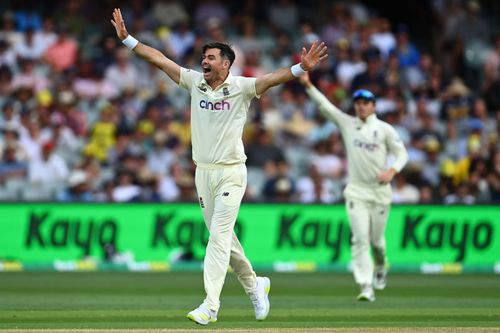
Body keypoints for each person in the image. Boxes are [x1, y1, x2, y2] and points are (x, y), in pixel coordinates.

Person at [111, 8, 327, 325]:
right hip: (203, 173)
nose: (205, 61)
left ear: (226, 63)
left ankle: (210, 306)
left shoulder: (241, 87)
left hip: (231, 172)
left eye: (211, 57)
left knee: (218, 238)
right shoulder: (194, 82)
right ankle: (255, 285)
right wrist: (128, 39)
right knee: (224, 240)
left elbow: (271, 79)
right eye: (204, 57)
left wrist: (299, 68)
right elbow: (158, 59)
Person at [299, 73, 408, 302]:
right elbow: (326, 107)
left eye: (366, 103)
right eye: (358, 103)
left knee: (377, 242)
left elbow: (401, 154)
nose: (361, 106)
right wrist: (309, 86)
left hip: (380, 192)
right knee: (360, 239)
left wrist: (392, 171)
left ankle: (380, 266)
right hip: (356, 191)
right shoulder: (348, 124)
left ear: (374, 106)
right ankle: (365, 285)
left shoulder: (384, 129)